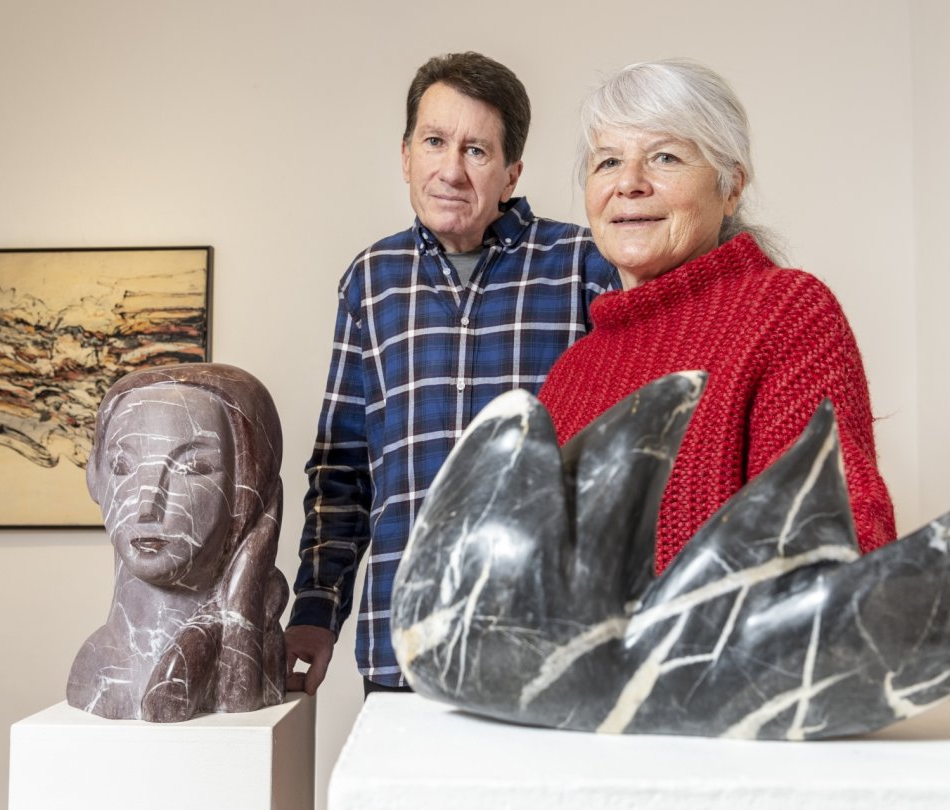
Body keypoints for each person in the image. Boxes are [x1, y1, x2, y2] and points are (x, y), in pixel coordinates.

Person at [286, 52, 616, 695]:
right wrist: (315, 612)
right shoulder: (371, 281)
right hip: (401, 641)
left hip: (546, 642)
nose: (450, 169)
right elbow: (342, 468)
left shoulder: (585, 265)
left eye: (476, 150)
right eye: (434, 142)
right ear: (406, 154)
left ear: (512, 172)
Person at [537, 59, 896, 575]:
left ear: (730, 189)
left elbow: (832, 545)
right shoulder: (572, 373)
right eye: (608, 162)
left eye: (664, 157)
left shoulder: (786, 314)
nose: (629, 183)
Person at [68, 363, 288, 720]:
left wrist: (237, 616)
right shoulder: (96, 669)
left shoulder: (257, 645)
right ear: (94, 477)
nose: (147, 506)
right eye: (123, 465)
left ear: (247, 483)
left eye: (191, 468)